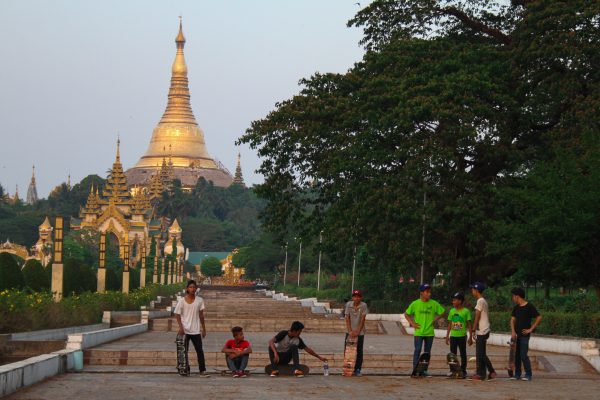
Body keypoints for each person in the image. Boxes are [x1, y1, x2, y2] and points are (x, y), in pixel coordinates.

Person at [404, 283, 446, 377]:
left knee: (427, 352)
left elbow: (443, 312)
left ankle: (424, 370)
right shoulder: (415, 303)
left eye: (430, 292)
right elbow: (406, 314)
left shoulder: (434, 303)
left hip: (429, 333)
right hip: (419, 332)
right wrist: (413, 324)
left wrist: (435, 319)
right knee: (417, 350)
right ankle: (415, 368)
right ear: (422, 293)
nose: (429, 294)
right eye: (427, 292)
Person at [174, 280, 209, 377]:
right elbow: (177, 314)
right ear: (187, 289)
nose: (192, 289)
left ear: (196, 288)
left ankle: (202, 370)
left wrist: (204, 329)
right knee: (184, 351)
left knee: (199, 350)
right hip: (185, 330)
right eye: (190, 287)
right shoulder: (182, 301)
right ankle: (186, 369)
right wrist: (181, 327)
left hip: (196, 330)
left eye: (194, 287)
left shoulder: (199, 300)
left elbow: (201, 316)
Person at [510, 287, 542, 381]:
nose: (513, 298)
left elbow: (539, 317)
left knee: (523, 355)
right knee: (517, 355)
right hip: (516, 335)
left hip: (524, 335)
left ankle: (528, 374)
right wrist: (513, 331)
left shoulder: (529, 306)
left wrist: (530, 329)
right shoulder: (516, 308)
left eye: (513, 296)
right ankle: (517, 374)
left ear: (517, 296)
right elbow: (512, 320)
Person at [469, 282, 496, 381]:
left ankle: (491, 371)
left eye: (473, 290)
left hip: (482, 330)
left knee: (480, 354)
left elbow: (477, 315)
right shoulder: (483, 300)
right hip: (485, 330)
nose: (472, 291)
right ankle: (481, 374)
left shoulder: (480, 301)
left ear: (476, 290)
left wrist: (474, 328)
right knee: (480, 353)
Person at [445, 292, 473, 378]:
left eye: (455, 300)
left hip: (462, 336)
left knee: (463, 354)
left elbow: (469, 325)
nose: (453, 302)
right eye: (453, 300)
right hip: (453, 336)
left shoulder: (466, 311)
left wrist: (470, 337)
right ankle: (453, 370)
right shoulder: (452, 311)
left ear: (460, 301)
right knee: (452, 355)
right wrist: (447, 336)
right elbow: (450, 324)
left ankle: (463, 371)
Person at [344, 289, 368, 377]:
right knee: (347, 351)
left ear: (360, 298)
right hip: (349, 331)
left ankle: (357, 369)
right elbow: (347, 318)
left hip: (360, 332)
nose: (356, 298)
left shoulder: (364, 305)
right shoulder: (348, 305)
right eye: (354, 296)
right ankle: (347, 368)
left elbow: (363, 319)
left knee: (359, 350)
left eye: (358, 297)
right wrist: (350, 331)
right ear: (352, 297)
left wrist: (357, 331)